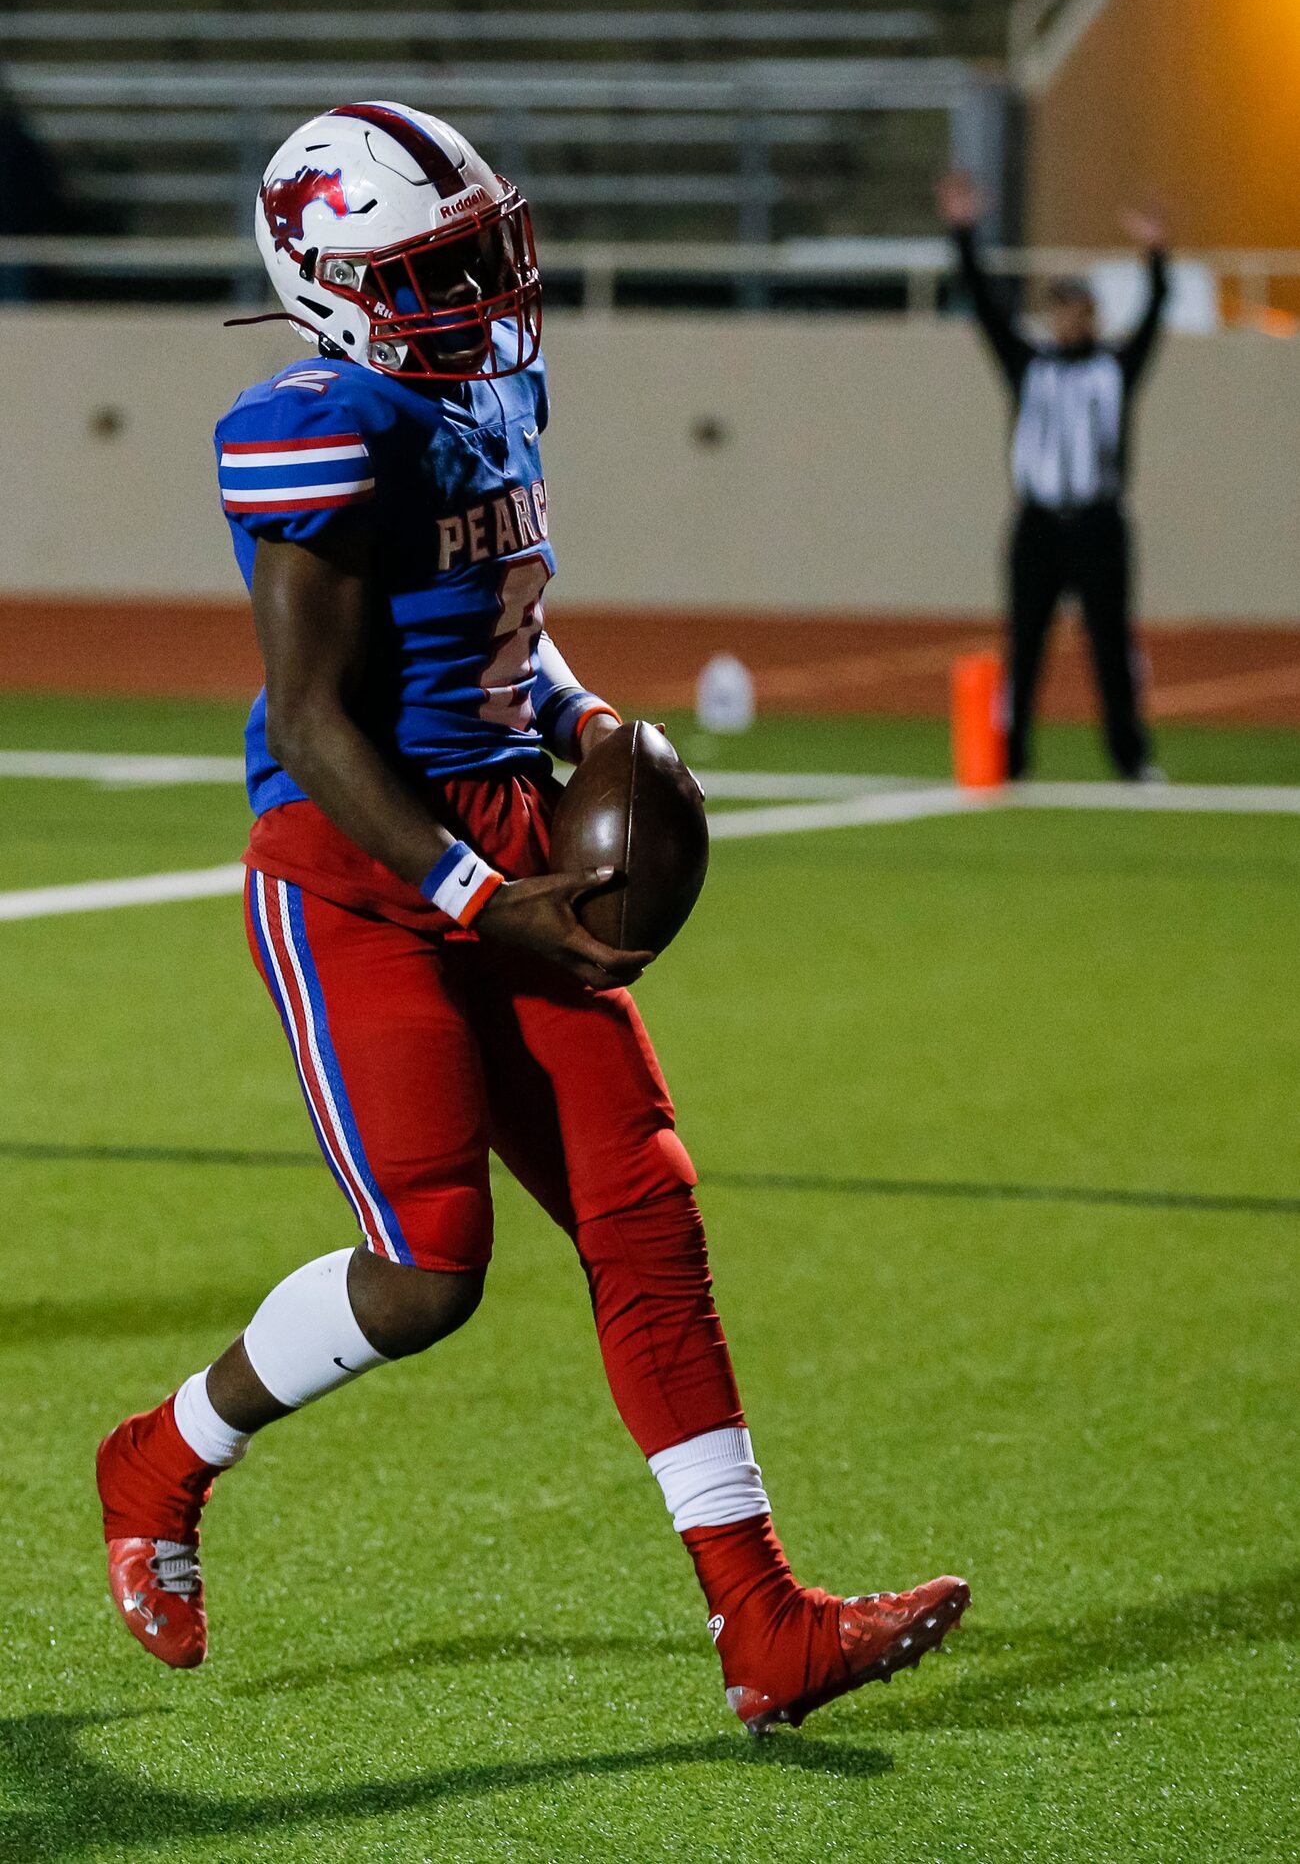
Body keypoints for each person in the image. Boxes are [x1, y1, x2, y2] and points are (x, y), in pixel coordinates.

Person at [96, 102, 968, 1734]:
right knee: (431, 1270)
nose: (484, 288)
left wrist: (583, 725)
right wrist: (479, 897)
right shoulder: (315, 423)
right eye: (434, 267)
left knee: (646, 1205)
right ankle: (159, 1454)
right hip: (359, 861)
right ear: (327, 279)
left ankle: (764, 1620)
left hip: (499, 825)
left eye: (484, 248)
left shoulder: (487, 384)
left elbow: (510, 620)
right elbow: (311, 718)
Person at [938, 172, 1170, 781]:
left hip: (1098, 521)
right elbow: (986, 309)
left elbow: (1154, 320)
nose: (1068, 321)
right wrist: (963, 233)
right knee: (1025, 648)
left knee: (1110, 649)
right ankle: (1011, 761)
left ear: (1092, 315)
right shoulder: (1029, 364)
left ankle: (1131, 760)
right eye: (1059, 310)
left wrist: (1156, 257)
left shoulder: (1114, 368)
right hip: (1037, 523)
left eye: (1078, 310)